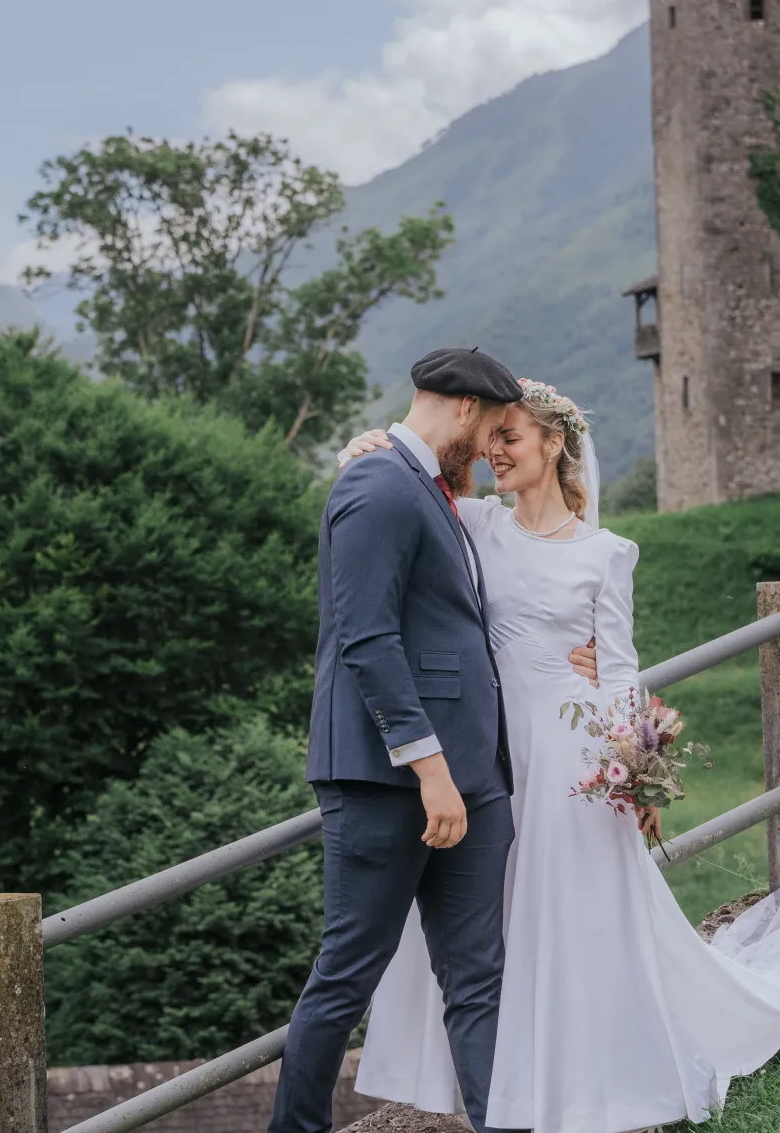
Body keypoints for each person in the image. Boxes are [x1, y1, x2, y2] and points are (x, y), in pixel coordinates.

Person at [336, 381, 780, 1133]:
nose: (495, 452)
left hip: (568, 756)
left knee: (572, 912)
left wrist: (634, 769)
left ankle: (579, 1075)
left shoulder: (605, 553)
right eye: (492, 438)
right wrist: (362, 449)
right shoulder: (477, 523)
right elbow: (405, 494)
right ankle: (507, 1079)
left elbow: (618, 669)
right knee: (491, 917)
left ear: (554, 444)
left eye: (511, 437)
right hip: (489, 749)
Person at [268, 347, 531, 1133]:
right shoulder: (377, 484)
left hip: (472, 780)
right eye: (489, 427)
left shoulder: (426, 486)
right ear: (462, 407)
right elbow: (367, 638)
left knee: (479, 979)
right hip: (388, 783)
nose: (487, 449)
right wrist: (431, 770)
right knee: (348, 974)